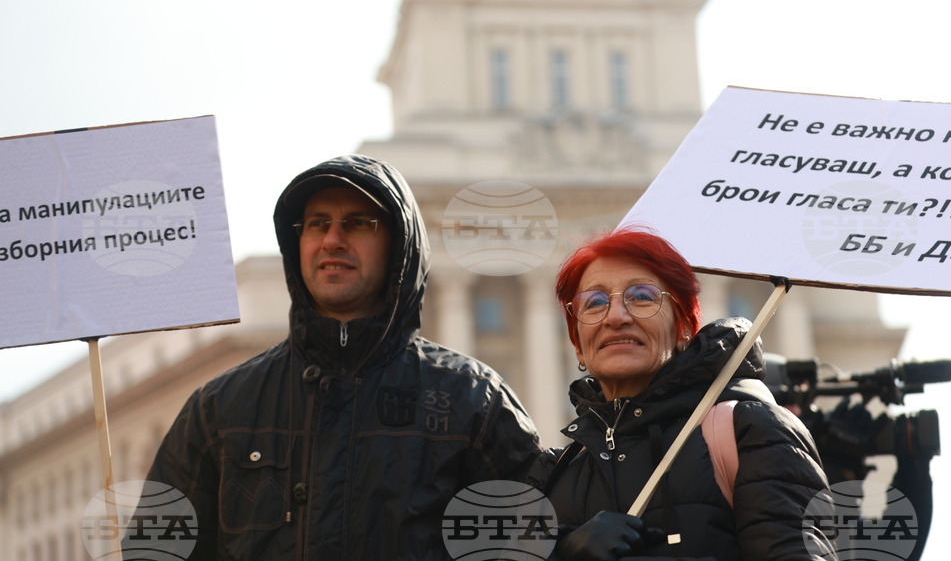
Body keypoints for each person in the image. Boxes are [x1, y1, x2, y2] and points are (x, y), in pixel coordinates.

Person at [144, 154, 542, 560]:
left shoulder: (475, 401)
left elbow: (526, 547)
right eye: (317, 224)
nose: (332, 239)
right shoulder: (218, 409)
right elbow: (158, 551)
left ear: (399, 245)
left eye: (358, 223)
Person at [528, 227, 837, 560]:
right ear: (578, 346)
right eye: (594, 302)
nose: (615, 317)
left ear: (684, 329)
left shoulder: (751, 430)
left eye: (642, 296)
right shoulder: (553, 471)